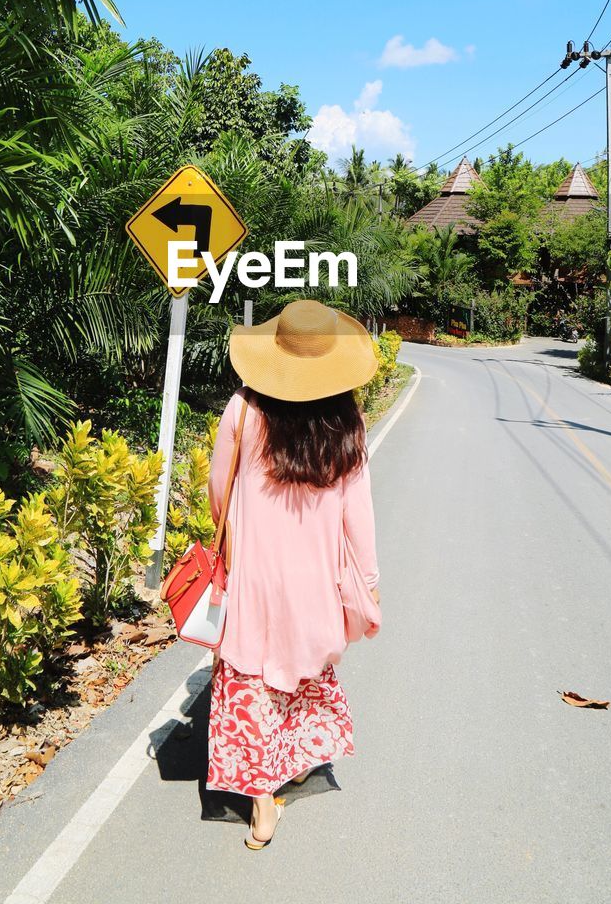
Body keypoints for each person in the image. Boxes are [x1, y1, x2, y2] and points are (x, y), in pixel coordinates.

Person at [205, 298, 381, 850]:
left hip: (256, 575)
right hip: (314, 585)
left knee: (253, 680)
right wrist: (368, 582)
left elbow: (219, 489)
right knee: (301, 677)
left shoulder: (244, 408)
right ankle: (296, 763)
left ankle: (261, 805)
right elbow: (360, 515)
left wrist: (233, 535)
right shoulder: (346, 421)